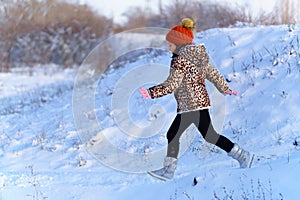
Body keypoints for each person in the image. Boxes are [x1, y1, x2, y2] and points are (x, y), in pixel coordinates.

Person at [139, 18, 254, 181]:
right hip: (199, 103)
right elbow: (212, 73)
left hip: (189, 105)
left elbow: (172, 84)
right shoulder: (198, 56)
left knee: (173, 135)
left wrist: (152, 92)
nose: (168, 46)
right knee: (209, 136)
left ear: (178, 43)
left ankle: (168, 171)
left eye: (170, 43)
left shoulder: (179, 60)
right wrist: (224, 87)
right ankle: (243, 155)